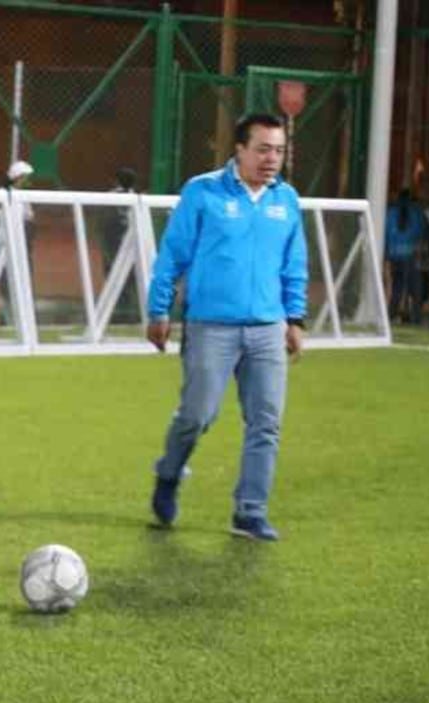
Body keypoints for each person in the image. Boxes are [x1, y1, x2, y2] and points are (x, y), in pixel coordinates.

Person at [144, 113, 308, 542]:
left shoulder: (286, 200)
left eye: (279, 150)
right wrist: (158, 310)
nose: (272, 159)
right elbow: (172, 255)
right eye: (263, 149)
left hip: (268, 330)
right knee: (197, 415)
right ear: (239, 149)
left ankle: (249, 512)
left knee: (266, 423)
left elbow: (294, 265)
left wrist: (295, 319)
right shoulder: (203, 192)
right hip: (209, 326)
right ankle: (169, 472)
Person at [101, 167, 139, 322]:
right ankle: (128, 310)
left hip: (114, 239)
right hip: (130, 241)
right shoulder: (136, 197)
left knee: (113, 274)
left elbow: (103, 218)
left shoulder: (110, 197)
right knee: (129, 277)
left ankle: (117, 312)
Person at [385, 188, 426, 324]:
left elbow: (385, 235)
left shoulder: (390, 214)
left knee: (397, 287)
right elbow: (420, 234)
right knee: (415, 289)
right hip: (409, 255)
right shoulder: (415, 214)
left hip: (394, 255)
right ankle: (416, 317)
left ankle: (391, 315)